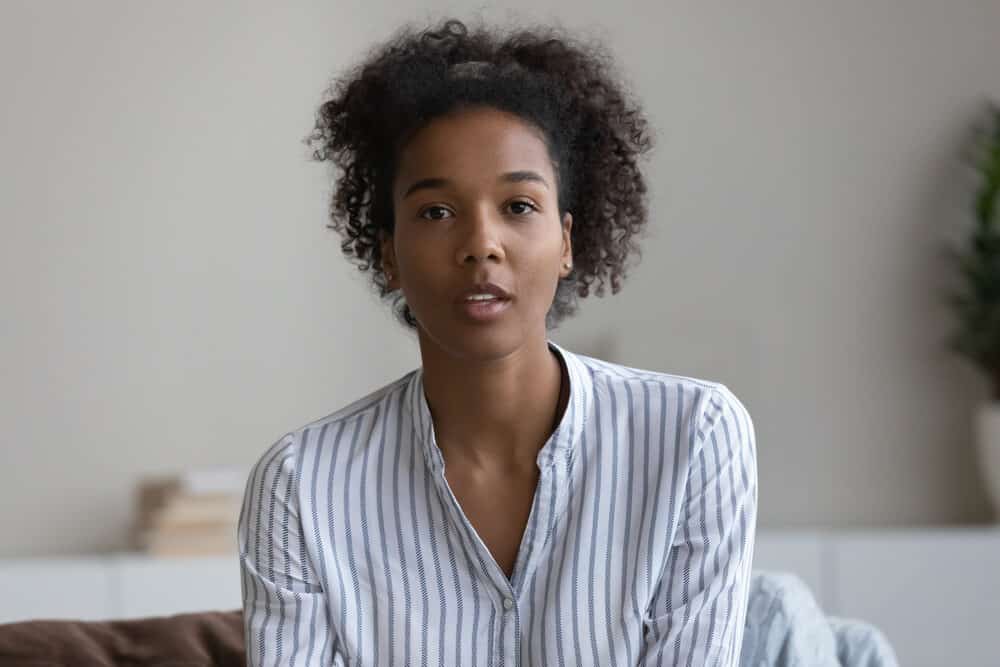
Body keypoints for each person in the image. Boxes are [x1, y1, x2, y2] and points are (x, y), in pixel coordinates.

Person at [238, 16, 758, 667]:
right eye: (436, 212)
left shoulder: (694, 438)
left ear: (567, 241)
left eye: (518, 206)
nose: (481, 243)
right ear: (389, 255)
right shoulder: (301, 487)